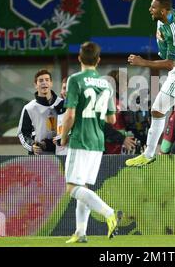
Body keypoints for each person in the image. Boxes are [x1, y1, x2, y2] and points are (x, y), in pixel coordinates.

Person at [120, 0, 175, 166]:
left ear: (163, 11)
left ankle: (149, 154)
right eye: (151, 6)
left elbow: (169, 64)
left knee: (158, 110)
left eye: (154, 8)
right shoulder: (166, 14)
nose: (150, 9)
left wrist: (142, 62)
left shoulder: (174, 33)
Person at [60, 41, 119, 243]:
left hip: (81, 138)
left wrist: (63, 135)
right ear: (98, 60)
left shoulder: (75, 80)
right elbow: (112, 119)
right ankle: (81, 232)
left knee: (71, 187)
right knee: (83, 186)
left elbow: (70, 114)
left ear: (79, 58)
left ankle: (108, 212)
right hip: (97, 141)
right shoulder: (106, 84)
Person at [18, 69, 64, 155]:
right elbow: (23, 134)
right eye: (41, 80)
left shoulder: (62, 104)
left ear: (51, 83)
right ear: (35, 85)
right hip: (39, 156)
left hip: (61, 153)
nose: (44, 82)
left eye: (47, 80)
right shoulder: (29, 108)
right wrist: (32, 146)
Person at [104, 70, 137, 154]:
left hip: (118, 149)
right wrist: (122, 139)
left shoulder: (120, 102)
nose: (127, 86)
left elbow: (126, 125)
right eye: (125, 83)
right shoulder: (107, 101)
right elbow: (103, 125)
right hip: (107, 150)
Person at [54, 77, 68, 156]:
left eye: (69, 89)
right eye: (64, 88)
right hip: (60, 155)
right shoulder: (58, 109)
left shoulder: (81, 109)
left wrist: (65, 138)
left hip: (76, 156)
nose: (66, 91)